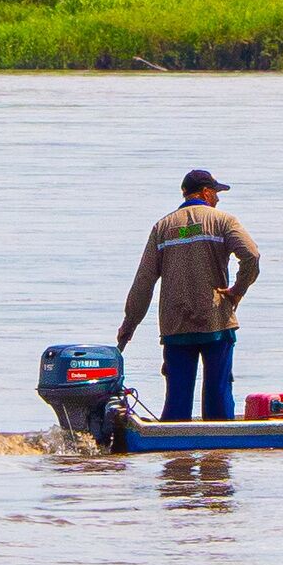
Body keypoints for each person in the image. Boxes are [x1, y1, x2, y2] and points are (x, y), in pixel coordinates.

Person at [117, 167, 261, 423]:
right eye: (215, 193)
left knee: (177, 399)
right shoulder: (223, 221)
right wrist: (237, 291)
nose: (217, 198)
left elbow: (144, 281)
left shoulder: (163, 227)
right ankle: (218, 454)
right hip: (215, 319)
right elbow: (251, 256)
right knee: (218, 394)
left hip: (176, 325)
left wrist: (129, 325)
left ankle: (173, 455)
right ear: (205, 193)